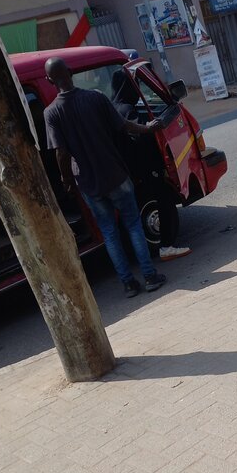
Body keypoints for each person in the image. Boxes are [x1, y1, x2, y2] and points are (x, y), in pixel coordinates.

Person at [44, 57, 166, 299]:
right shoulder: (96, 97)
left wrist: (66, 180)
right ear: (70, 71)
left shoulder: (51, 113)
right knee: (133, 225)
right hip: (116, 174)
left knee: (109, 232)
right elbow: (124, 125)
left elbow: (61, 153)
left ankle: (129, 284)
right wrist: (150, 128)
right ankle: (150, 276)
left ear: (49, 81)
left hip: (89, 183)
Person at [110, 68, 190, 264]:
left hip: (128, 171)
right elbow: (141, 137)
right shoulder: (127, 110)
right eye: (133, 85)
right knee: (165, 200)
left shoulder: (113, 108)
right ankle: (167, 246)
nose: (136, 89)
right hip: (144, 169)